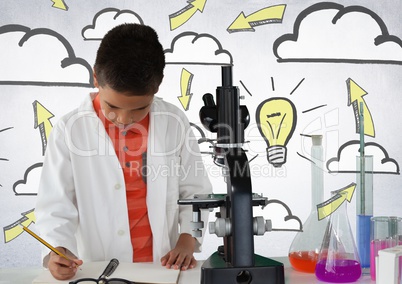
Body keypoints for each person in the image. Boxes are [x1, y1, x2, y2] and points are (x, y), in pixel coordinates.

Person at [35, 23, 212, 280]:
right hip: (96, 267)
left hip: (160, 266)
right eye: (112, 106)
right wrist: (58, 250)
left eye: (139, 109)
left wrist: (187, 240)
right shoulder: (69, 129)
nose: (123, 119)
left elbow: (195, 190)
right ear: (95, 78)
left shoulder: (173, 121)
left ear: (157, 87)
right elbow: (55, 204)